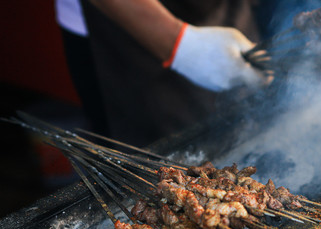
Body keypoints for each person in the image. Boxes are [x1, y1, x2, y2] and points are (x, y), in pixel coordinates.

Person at [55, 0, 269, 146]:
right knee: (156, 170)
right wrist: (182, 45)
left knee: (248, 130)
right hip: (125, 27)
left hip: (225, 10)